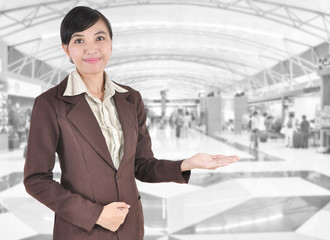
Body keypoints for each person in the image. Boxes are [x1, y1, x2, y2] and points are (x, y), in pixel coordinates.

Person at [23, 6, 239, 240]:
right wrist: (95, 214)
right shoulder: (51, 104)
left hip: (130, 227)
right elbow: (36, 180)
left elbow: (142, 165)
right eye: (79, 40)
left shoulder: (130, 98)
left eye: (99, 38)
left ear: (111, 43)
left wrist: (187, 163)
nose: (91, 49)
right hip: (81, 230)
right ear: (66, 48)